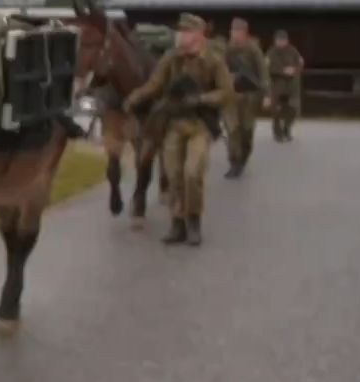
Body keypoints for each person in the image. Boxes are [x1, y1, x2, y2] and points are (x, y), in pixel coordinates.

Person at [123, 13, 233, 246]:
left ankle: (194, 221)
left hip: (199, 126)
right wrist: (135, 98)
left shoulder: (213, 61)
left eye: (187, 32)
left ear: (199, 35)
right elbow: (155, 84)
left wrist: (201, 99)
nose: (181, 36)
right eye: (180, 31)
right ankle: (177, 223)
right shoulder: (171, 59)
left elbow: (226, 93)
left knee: (192, 173)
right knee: (174, 176)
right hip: (173, 124)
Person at [222, 18, 269, 177]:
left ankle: (243, 156)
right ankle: (234, 162)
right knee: (232, 129)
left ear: (245, 33)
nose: (234, 34)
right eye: (232, 31)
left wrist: (266, 94)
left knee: (246, 130)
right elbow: (220, 68)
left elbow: (263, 72)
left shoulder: (253, 49)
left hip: (250, 96)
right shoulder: (227, 49)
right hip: (233, 94)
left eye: (238, 31)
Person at [265, 29, 304, 141]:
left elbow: (300, 63)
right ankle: (278, 132)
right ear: (275, 41)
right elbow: (266, 68)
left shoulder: (293, 51)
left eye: (283, 40)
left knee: (292, 109)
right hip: (277, 85)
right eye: (279, 40)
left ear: (287, 40)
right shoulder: (271, 52)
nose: (281, 42)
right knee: (275, 110)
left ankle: (287, 128)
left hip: (291, 86)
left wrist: (294, 70)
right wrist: (282, 71)